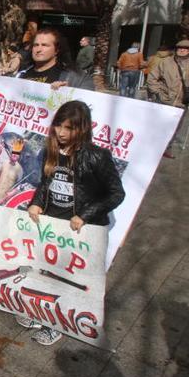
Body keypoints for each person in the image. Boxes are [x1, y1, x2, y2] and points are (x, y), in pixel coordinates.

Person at [25, 100, 125, 345]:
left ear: (82, 129)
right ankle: (42, 313)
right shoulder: (52, 150)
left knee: (68, 279)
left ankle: (57, 324)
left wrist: (85, 215)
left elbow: (116, 193)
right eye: (59, 125)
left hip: (80, 228)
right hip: (52, 224)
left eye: (69, 128)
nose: (61, 132)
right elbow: (45, 182)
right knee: (46, 271)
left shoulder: (97, 156)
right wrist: (36, 202)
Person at [146, 39, 189, 158]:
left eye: (185, 48)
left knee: (174, 127)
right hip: (164, 100)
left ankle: (166, 148)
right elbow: (152, 78)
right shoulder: (165, 62)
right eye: (180, 48)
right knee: (159, 125)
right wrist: (158, 92)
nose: (182, 50)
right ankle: (152, 147)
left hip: (182, 102)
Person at [17, 28, 94, 90]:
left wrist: (69, 93)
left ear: (56, 50)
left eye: (45, 45)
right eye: (36, 45)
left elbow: (87, 102)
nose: (38, 49)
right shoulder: (21, 74)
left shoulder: (75, 78)